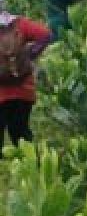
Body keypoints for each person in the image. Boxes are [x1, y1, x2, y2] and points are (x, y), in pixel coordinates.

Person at [0, 8, 53, 147]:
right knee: (21, 135)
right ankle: (31, 165)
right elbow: (46, 35)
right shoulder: (20, 24)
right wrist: (29, 54)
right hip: (24, 91)